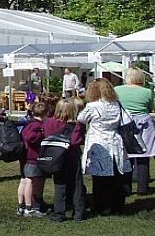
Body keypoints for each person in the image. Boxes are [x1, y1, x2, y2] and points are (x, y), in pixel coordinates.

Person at [77, 78, 132, 215]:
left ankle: (101, 206)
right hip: (114, 139)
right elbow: (126, 119)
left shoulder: (92, 106)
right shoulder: (116, 104)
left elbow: (81, 118)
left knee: (100, 177)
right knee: (116, 175)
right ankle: (117, 205)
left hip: (99, 140)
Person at [44, 99, 86, 222]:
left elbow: (47, 136)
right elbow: (76, 141)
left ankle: (59, 213)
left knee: (59, 184)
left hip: (56, 155)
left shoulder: (49, 122)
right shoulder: (77, 124)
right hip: (72, 153)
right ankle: (79, 212)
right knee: (77, 183)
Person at [114, 68, 155, 195]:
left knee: (126, 156)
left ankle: (126, 187)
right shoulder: (147, 92)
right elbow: (150, 107)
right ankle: (142, 188)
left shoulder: (117, 90)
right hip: (144, 123)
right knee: (143, 156)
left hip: (125, 123)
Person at [17, 102, 47, 217]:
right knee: (30, 180)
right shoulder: (37, 126)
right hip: (32, 157)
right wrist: (42, 134)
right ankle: (29, 207)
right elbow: (31, 138)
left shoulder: (28, 124)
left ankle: (22, 205)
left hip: (26, 156)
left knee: (24, 180)